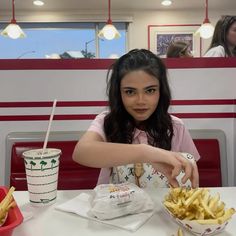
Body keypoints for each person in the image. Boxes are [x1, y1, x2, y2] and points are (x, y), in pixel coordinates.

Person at [72, 49, 200, 189]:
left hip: (162, 207)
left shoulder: (176, 127)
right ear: (118, 93)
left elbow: (191, 169)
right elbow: (81, 152)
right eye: (130, 92)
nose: (140, 101)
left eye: (150, 90)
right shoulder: (106, 121)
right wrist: (146, 153)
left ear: (161, 91)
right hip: (116, 208)